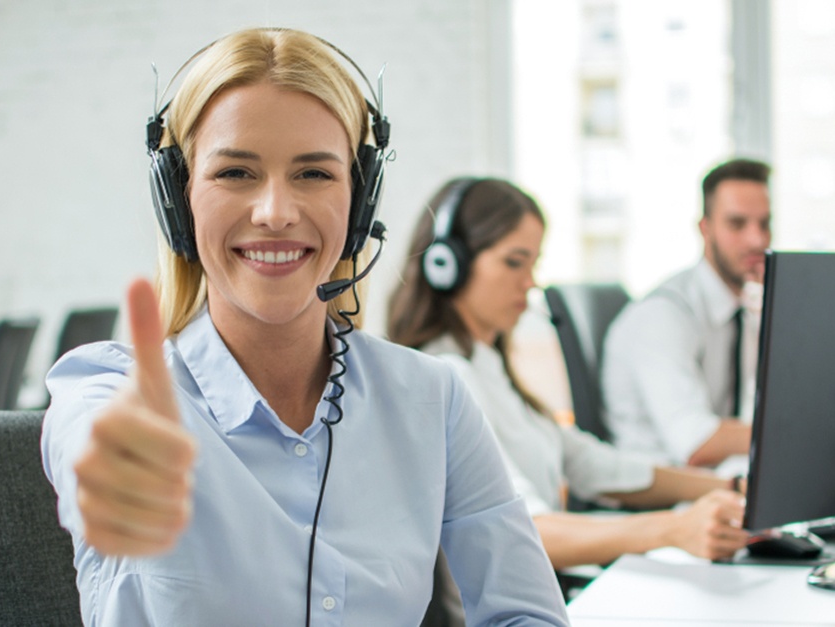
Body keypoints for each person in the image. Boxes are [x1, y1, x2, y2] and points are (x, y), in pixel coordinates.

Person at [40, 28, 569, 625]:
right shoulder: (109, 390)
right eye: (235, 172)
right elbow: (93, 445)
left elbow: (527, 614)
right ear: (178, 196)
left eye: (314, 174)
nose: (275, 213)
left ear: (360, 200)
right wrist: (115, 481)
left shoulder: (430, 398)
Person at [387, 176, 749, 572]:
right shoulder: (445, 378)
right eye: (513, 262)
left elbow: (594, 465)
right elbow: (522, 532)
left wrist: (732, 489)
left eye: (533, 264)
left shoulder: (489, 368)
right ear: (446, 264)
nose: (529, 283)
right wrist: (674, 529)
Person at [602, 158, 771, 467]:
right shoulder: (663, 315)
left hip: (714, 483)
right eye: (737, 224)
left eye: (764, 224)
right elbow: (696, 442)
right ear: (705, 229)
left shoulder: (745, 311)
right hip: (663, 492)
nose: (756, 240)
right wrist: (783, 433)